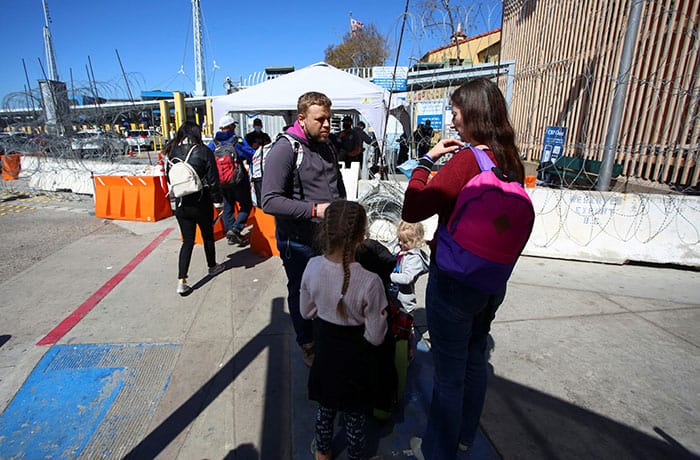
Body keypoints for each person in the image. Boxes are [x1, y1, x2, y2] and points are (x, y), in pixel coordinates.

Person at [402, 78, 525, 460]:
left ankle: (439, 451)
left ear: (472, 114)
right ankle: (464, 438)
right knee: (474, 363)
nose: (453, 122)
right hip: (491, 280)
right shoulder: (510, 159)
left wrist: (427, 159)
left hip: (454, 280)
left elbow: (413, 208)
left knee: (448, 375)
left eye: (456, 113)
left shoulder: (468, 160)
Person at [261, 91, 346, 367]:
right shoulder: (285, 149)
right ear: (302, 118)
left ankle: (325, 333)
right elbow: (269, 200)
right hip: (298, 241)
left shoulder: (327, 144)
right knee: (302, 291)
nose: (326, 125)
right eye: (320, 119)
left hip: (329, 236)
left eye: (329, 120)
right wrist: (315, 210)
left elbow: (337, 182)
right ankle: (307, 342)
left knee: (330, 289)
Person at [300, 200, 388, 460]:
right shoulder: (371, 282)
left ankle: (323, 452)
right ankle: (356, 454)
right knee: (355, 416)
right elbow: (376, 336)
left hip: (325, 355)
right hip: (356, 362)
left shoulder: (312, 267)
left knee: (325, 409)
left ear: (325, 232)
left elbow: (306, 312)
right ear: (362, 236)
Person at [165, 121, 226, 296]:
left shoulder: (172, 150)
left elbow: (169, 178)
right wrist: (218, 203)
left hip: (182, 203)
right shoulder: (203, 150)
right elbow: (213, 180)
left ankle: (181, 280)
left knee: (188, 241)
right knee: (207, 236)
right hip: (201, 201)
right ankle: (212, 266)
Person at [208, 114, 255, 245]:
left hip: (221, 182)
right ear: (230, 127)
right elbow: (250, 154)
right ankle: (236, 229)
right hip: (239, 180)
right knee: (246, 204)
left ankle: (231, 234)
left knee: (228, 207)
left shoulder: (213, 143)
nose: (234, 128)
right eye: (233, 126)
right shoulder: (236, 141)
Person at [389, 220, 429, 313]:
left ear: (415, 241)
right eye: (399, 239)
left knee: (403, 323)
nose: (400, 243)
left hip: (404, 301)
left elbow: (407, 278)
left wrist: (388, 275)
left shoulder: (415, 258)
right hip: (393, 293)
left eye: (404, 241)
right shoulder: (400, 249)